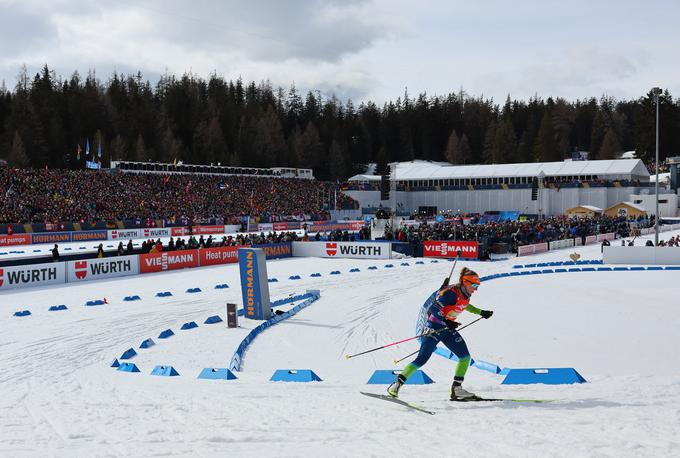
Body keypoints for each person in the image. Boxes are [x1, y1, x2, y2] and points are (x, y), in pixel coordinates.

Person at [387, 267, 494, 400]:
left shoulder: (465, 296)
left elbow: (464, 306)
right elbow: (433, 307)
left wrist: (481, 312)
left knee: (465, 357)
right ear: (465, 282)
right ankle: (396, 385)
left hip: (447, 330)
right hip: (434, 328)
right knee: (422, 359)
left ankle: (457, 390)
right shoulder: (452, 293)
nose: (476, 289)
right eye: (474, 285)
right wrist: (445, 320)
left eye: (477, 286)